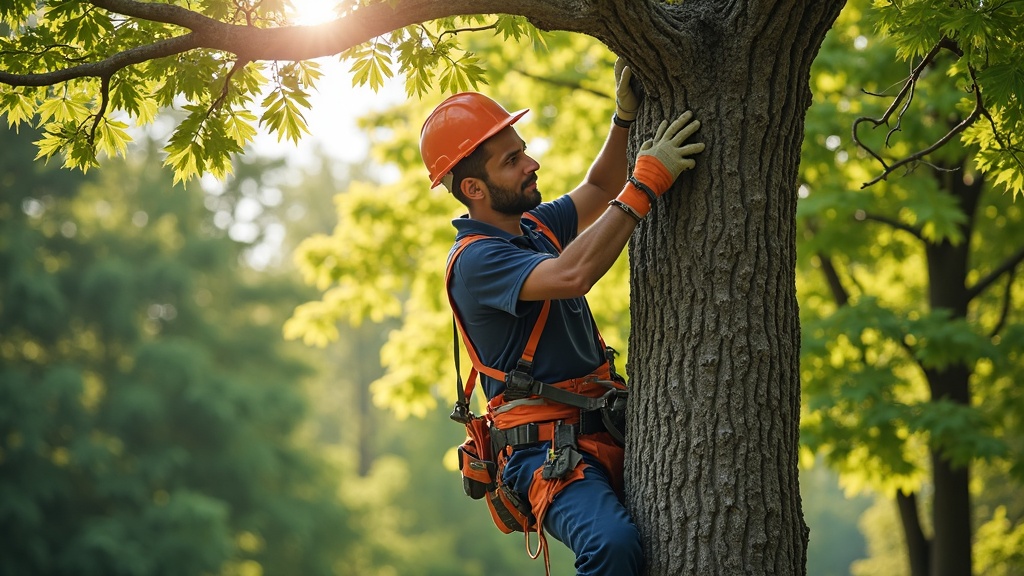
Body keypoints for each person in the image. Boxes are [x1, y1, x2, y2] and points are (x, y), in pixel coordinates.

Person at [419, 60, 705, 576]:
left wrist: (623, 119)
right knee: (612, 546)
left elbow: (597, 189)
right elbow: (572, 275)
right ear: (474, 190)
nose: (531, 163)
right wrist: (647, 183)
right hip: (547, 450)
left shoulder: (531, 226)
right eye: (512, 160)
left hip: (605, 428)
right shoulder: (477, 261)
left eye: (523, 150)